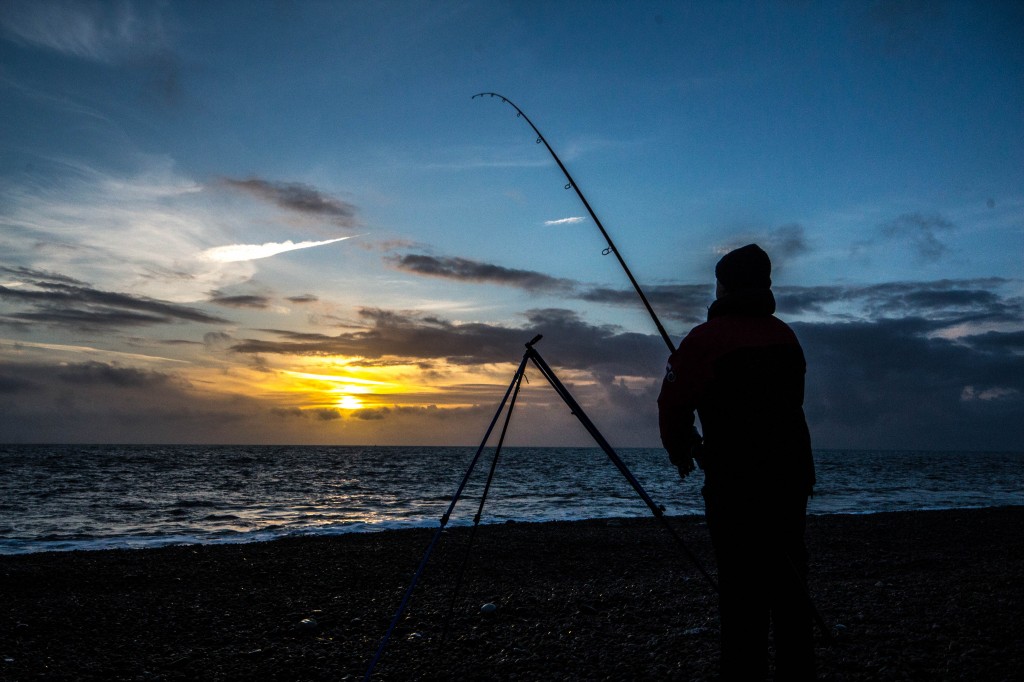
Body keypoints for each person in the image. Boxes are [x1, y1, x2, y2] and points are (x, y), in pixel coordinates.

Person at [657, 243, 816, 680]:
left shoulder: (704, 341)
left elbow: (672, 407)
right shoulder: (786, 337)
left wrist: (681, 450)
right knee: (788, 584)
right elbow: (789, 405)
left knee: (741, 592)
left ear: (724, 288)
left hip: (735, 485)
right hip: (791, 477)